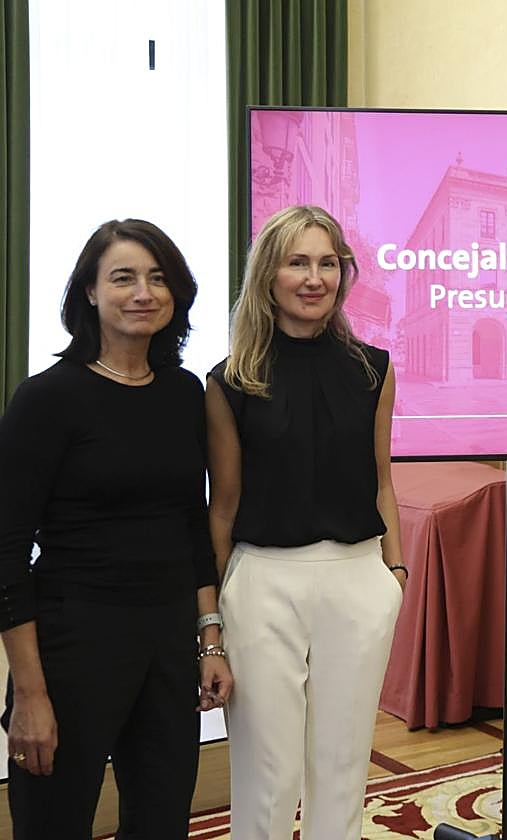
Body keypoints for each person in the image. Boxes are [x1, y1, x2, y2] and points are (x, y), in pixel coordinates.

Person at [0, 219, 233, 839]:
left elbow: (191, 521)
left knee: (160, 824)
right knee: (53, 825)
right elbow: (5, 552)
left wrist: (209, 638)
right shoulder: (46, 399)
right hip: (73, 644)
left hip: (165, 646)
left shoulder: (185, 393)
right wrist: (28, 694)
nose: (143, 292)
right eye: (123, 277)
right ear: (89, 293)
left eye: (158, 278)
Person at [207, 204, 405, 840]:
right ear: (269, 275)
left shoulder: (375, 368)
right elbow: (223, 506)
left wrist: (394, 573)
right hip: (262, 580)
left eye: (328, 263)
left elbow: (382, 479)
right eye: (298, 262)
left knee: (344, 767)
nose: (314, 277)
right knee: (269, 773)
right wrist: (209, 618)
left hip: (358, 576)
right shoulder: (231, 380)